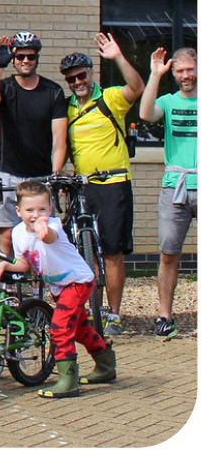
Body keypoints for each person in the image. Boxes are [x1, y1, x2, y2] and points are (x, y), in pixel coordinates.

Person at [0, 180, 115, 398]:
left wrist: (42, 228)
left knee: (60, 327)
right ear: (18, 211)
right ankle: (106, 365)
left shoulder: (53, 226)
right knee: (80, 329)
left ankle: (68, 380)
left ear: (50, 210)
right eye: (30, 210)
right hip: (60, 287)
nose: (36, 214)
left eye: (42, 209)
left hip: (77, 282)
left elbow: (48, 237)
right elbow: (24, 264)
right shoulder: (18, 233)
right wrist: (6, 265)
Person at [60, 33, 144, 336]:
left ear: (90, 73)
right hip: (82, 186)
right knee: (85, 254)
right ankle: (86, 309)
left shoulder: (109, 98)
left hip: (114, 182)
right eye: (71, 79)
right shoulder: (66, 108)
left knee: (112, 251)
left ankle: (114, 314)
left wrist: (118, 57)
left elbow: (137, 88)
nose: (77, 82)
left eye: (81, 75)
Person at [0, 32, 68, 257]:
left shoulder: (53, 92)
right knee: (7, 236)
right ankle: (9, 286)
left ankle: (37, 288)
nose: (25, 61)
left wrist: (55, 174)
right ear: (14, 59)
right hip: (6, 171)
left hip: (39, 175)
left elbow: (59, 141)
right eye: (20, 57)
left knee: (41, 235)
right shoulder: (6, 87)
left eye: (30, 56)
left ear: (37, 58)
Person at [139, 47, 196, 340]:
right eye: (180, 71)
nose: (186, 76)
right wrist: (155, 74)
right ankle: (165, 316)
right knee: (168, 254)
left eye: (190, 69)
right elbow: (145, 113)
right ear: (173, 74)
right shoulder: (169, 101)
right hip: (175, 185)